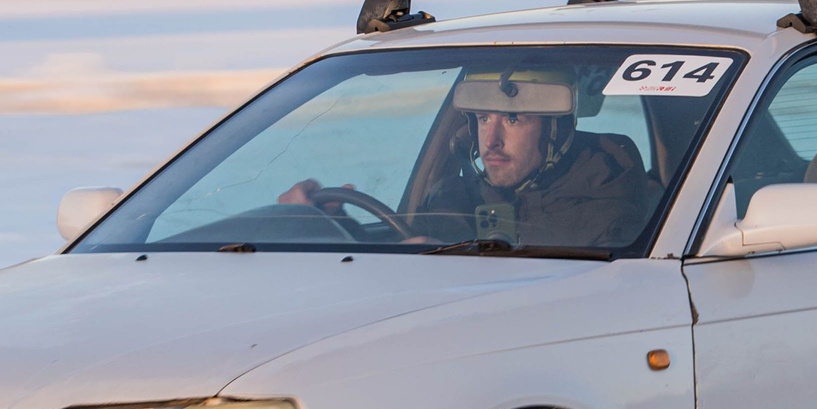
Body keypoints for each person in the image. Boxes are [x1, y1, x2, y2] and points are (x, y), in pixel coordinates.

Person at [279, 62, 659, 250]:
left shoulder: (608, 215)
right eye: (481, 118)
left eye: (513, 119)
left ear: (555, 131)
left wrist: (444, 262)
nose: (490, 140)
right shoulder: (454, 198)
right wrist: (337, 228)